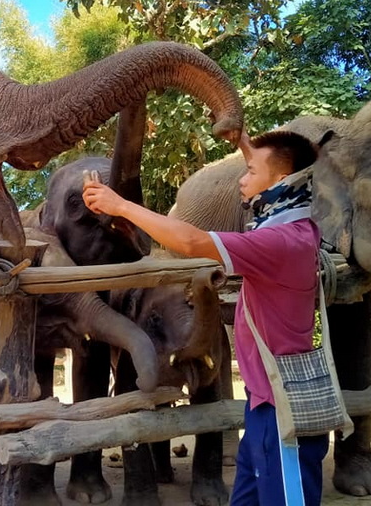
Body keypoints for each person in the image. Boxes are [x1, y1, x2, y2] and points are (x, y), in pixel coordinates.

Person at [82, 128, 327, 506]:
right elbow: (280, 166)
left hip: (284, 414)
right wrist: (243, 138)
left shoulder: (280, 242)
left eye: (249, 171)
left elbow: (194, 242)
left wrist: (121, 206)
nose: (242, 180)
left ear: (281, 181)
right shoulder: (295, 228)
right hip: (263, 404)